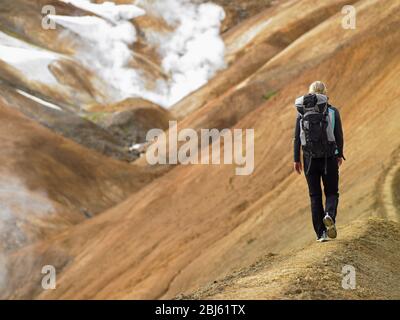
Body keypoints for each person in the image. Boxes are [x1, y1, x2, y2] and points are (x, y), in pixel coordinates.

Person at [293, 81, 345, 242]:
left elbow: (296, 138)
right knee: (331, 192)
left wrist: (296, 159)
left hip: (309, 159)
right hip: (328, 157)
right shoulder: (332, 111)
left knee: (314, 196)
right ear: (324, 93)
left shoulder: (301, 113)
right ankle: (329, 214)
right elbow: (338, 135)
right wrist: (339, 154)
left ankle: (321, 234)